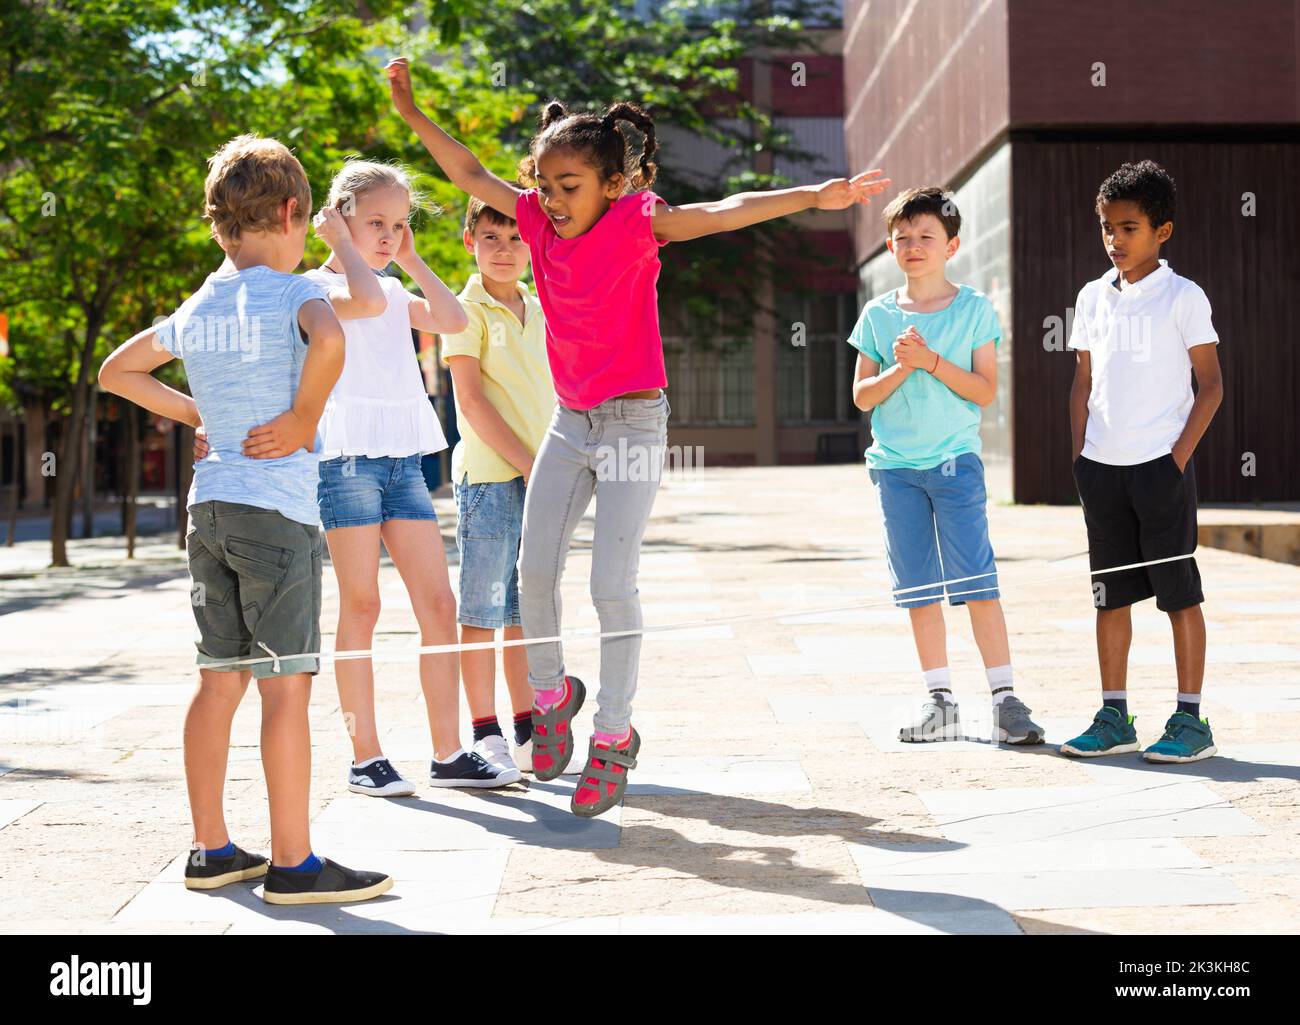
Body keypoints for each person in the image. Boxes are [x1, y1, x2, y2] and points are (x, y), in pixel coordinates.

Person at [388, 54, 890, 816]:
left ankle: (614, 735)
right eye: (546, 185)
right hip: (570, 418)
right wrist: (412, 113)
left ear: (610, 183)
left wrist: (818, 195)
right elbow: (467, 172)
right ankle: (551, 696)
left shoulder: (636, 220)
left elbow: (724, 210)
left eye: (570, 187)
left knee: (609, 584)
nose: (552, 202)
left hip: (631, 420)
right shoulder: (530, 219)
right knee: (533, 569)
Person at [99, 134, 391, 903]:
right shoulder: (295, 292)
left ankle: (211, 849)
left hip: (209, 511)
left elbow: (116, 371)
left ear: (217, 224)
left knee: (218, 679)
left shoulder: (200, 303)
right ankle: (294, 865)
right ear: (294, 212)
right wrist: (302, 417)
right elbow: (336, 332)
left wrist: (196, 408)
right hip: (277, 513)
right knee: (285, 685)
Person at [848, 185, 1044, 746]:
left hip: (955, 465)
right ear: (890, 245)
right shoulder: (878, 315)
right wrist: (903, 368)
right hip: (896, 471)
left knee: (977, 582)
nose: (914, 245)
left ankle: (1006, 701)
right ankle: (941, 703)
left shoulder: (974, 308)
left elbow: (984, 391)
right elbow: (863, 397)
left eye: (926, 236)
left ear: (951, 245)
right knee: (918, 590)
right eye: (903, 236)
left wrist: (930, 360)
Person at [1061, 160, 1224, 763]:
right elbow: (1083, 380)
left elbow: (1211, 386)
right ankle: (1113, 715)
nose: (1115, 240)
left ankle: (1190, 721)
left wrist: (1175, 462)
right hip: (1101, 471)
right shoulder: (1090, 297)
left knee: (1179, 595)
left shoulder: (1184, 297)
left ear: (1163, 231)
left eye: (1129, 228)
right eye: (1107, 227)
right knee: (1110, 597)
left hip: (1161, 470)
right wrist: (1080, 456)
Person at [441, 192, 555, 777]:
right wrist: (526, 462)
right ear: (470, 243)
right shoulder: (463, 312)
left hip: (542, 476)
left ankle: (529, 727)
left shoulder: (542, 305)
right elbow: (471, 401)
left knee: (521, 610)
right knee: (482, 607)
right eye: (491, 238)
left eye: (515, 238)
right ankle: (484, 734)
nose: (505, 250)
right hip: (491, 478)